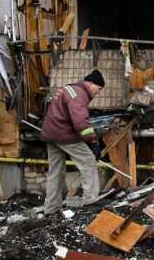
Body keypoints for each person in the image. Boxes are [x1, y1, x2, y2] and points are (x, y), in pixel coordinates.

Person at [40, 70, 105, 215]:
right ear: (91, 83)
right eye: (99, 89)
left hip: (51, 134)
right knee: (88, 160)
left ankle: (51, 208)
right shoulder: (78, 94)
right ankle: (90, 200)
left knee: (55, 171)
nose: (98, 92)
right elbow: (81, 123)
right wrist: (93, 142)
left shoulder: (69, 89)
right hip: (65, 135)